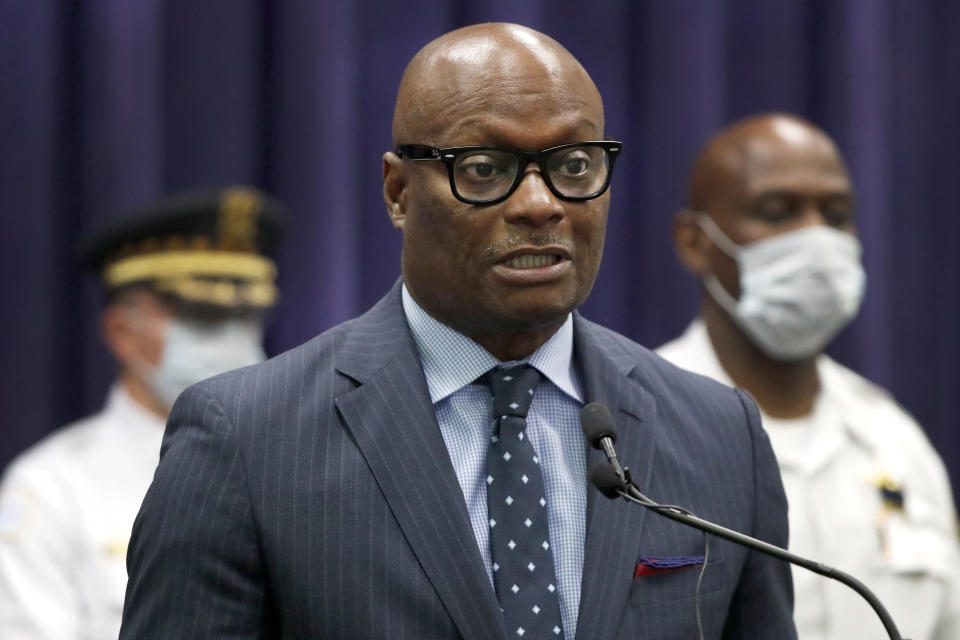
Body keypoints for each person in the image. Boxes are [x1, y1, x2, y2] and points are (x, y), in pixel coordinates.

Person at [119, 24, 796, 639]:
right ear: (397, 192)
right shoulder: (245, 440)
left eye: (574, 165)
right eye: (484, 170)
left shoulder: (719, 434)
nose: (541, 204)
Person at [658, 112, 960, 639]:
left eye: (836, 214)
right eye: (776, 212)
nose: (815, 239)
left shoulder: (894, 439)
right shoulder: (636, 427)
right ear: (694, 241)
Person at [0, 186, 284, 639]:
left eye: (244, 317)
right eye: (203, 318)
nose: (231, 340)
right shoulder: (51, 490)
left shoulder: (302, 465)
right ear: (121, 332)